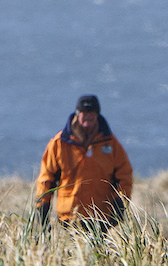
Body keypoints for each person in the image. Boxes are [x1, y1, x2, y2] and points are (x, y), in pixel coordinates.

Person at [36, 95, 134, 231]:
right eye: (84, 113)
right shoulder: (59, 143)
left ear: (97, 115)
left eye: (92, 113)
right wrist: (42, 206)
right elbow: (46, 177)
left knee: (98, 252)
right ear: (77, 114)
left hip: (100, 216)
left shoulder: (110, 143)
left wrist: (120, 204)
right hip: (69, 217)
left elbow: (125, 176)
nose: (88, 116)